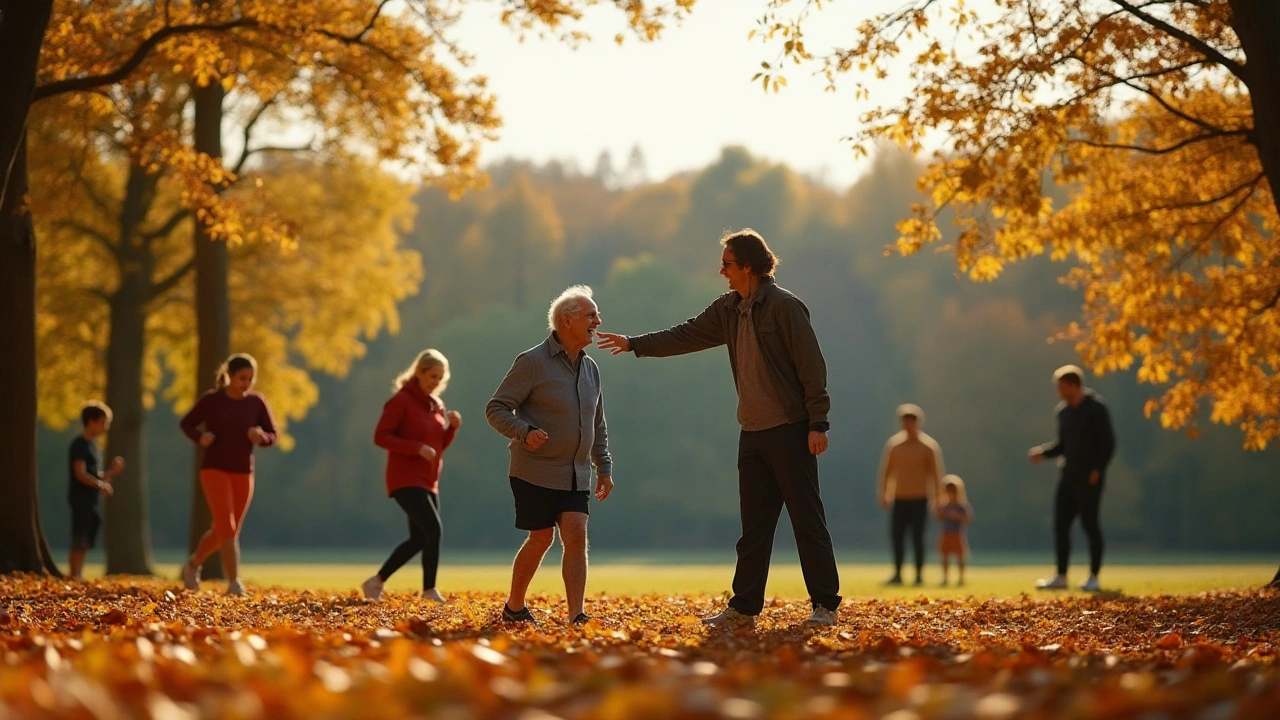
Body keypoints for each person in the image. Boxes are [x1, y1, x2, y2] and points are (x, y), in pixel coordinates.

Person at [596, 229, 841, 628]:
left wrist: (818, 422)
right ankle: (744, 608)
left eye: (727, 263)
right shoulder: (729, 309)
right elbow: (686, 333)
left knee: (807, 521)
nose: (721, 270)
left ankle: (825, 605)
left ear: (748, 266)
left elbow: (812, 368)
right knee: (753, 529)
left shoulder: (785, 307)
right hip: (753, 432)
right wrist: (633, 344)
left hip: (791, 430)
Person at [486, 285, 614, 625]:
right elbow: (496, 408)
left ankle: (577, 615)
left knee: (576, 532)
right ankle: (514, 606)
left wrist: (604, 465)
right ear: (566, 321)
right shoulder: (531, 362)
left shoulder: (591, 369)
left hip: (577, 472)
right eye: (591, 315)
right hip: (534, 470)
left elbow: (597, 422)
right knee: (541, 537)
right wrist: (524, 432)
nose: (597, 321)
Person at [362, 349, 461, 603]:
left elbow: (436, 448)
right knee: (434, 530)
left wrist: (452, 430)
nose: (436, 382)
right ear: (419, 372)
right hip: (404, 478)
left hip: (429, 481)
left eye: (440, 378)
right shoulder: (401, 401)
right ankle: (429, 591)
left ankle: (376, 582)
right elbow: (380, 436)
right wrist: (415, 448)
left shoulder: (437, 405)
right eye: (432, 376)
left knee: (420, 537)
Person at [178, 353, 278, 596]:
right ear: (229, 376)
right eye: (242, 378)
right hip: (214, 469)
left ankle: (192, 566)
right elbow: (187, 423)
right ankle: (234, 583)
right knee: (227, 527)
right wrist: (200, 437)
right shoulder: (212, 401)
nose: (246, 383)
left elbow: (272, 434)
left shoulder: (256, 402)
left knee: (225, 530)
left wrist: (260, 437)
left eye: (250, 379)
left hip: (243, 471)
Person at [1029, 364, 1116, 592]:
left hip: (1089, 479)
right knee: (1060, 526)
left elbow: (1108, 443)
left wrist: (1098, 469)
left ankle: (1094, 576)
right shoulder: (1063, 412)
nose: (1059, 392)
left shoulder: (1096, 409)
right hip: (1067, 477)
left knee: (1090, 525)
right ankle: (1061, 576)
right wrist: (1044, 453)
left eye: (1062, 387)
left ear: (1074, 385)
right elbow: (1063, 446)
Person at [877, 403, 945, 586]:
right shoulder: (895, 445)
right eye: (904, 422)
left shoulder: (928, 446)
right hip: (900, 497)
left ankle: (918, 574)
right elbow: (886, 471)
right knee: (897, 536)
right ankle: (898, 573)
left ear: (917, 423)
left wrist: (939, 499)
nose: (907, 426)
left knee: (918, 537)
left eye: (911, 422)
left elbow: (936, 475)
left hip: (920, 498)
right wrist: (884, 493)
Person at [67, 401, 125, 580]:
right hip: (80, 499)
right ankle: (74, 574)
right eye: (103, 423)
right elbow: (80, 473)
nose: (105, 428)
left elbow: (94, 475)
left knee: (87, 538)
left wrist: (112, 473)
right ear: (91, 422)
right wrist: (101, 485)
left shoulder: (93, 447)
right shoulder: (79, 445)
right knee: (80, 537)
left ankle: (78, 573)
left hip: (92, 500)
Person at [937, 475, 973, 587]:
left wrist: (956, 516)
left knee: (960, 556)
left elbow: (968, 518)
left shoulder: (961, 506)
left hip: (957, 534)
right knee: (945, 556)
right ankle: (945, 577)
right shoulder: (944, 506)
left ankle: (961, 578)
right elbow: (938, 516)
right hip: (946, 533)